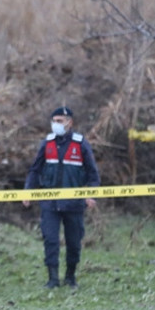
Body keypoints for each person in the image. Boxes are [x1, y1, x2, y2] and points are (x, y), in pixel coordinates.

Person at [22, 107, 101, 288]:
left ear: (69, 122)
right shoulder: (47, 143)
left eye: (60, 121)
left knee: (73, 242)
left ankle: (70, 277)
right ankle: (52, 278)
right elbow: (35, 170)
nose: (56, 124)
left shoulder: (80, 144)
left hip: (74, 203)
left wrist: (92, 194)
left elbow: (92, 173)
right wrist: (28, 191)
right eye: (54, 121)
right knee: (50, 240)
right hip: (49, 203)